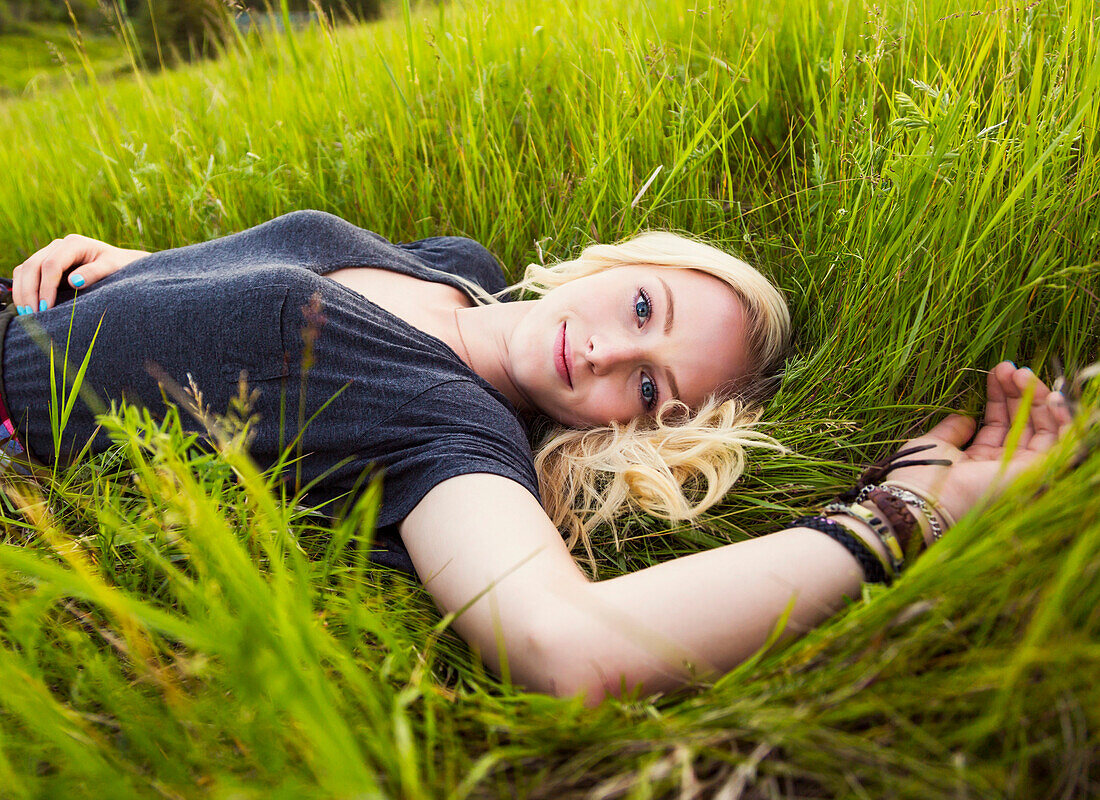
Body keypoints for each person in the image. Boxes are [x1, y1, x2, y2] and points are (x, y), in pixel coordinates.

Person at [0, 210, 1074, 703]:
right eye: (642, 304)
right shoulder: (461, 274)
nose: (607, 346)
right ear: (625, 261)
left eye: (648, 389)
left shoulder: (445, 428)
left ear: (629, 435)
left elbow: (568, 644)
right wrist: (137, 268)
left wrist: (906, 510)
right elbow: (247, 291)